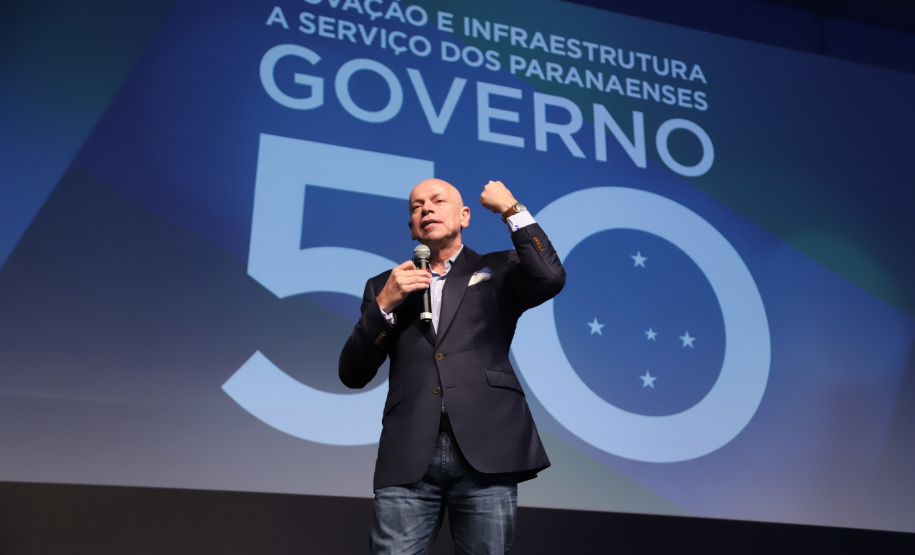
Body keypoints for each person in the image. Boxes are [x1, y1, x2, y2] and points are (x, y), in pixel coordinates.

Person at [338, 178, 566, 554]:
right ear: (412, 227)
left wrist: (510, 207)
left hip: (486, 450)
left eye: (437, 200)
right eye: (416, 206)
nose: (425, 208)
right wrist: (384, 305)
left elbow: (551, 276)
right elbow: (353, 373)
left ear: (464, 216)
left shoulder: (499, 269)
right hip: (409, 453)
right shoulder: (387, 284)